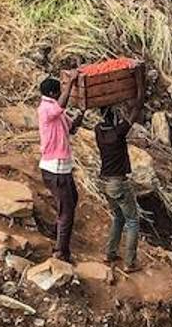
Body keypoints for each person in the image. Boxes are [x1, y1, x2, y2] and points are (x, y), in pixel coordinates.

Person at [94, 74, 145, 270]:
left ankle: (110, 253)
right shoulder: (118, 133)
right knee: (132, 221)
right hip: (118, 183)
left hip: (105, 183)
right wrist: (138, 82)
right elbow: (137, 107)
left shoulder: (99, 130)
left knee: (118, 217)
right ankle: (130, 262)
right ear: (114, 116)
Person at [38, 74, 83, 262]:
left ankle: (56, 231)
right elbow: (60, 106)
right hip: (55, 168)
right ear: (52, 93)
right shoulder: (46, 109)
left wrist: (82, 114)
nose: (60, 95)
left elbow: (71, 129)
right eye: (58, 91)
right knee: (67, 211)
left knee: (72, 198)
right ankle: (60, 251)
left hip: (62, 167)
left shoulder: (59, 113)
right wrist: (71, 83)